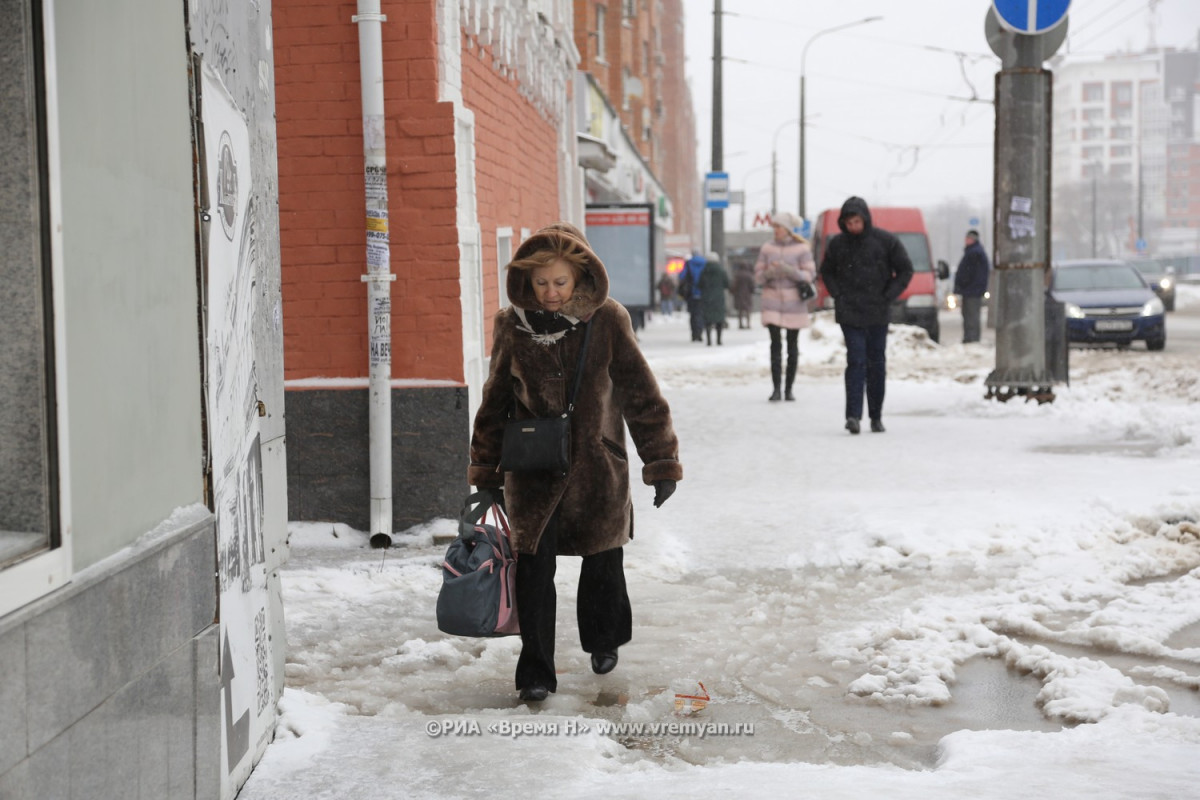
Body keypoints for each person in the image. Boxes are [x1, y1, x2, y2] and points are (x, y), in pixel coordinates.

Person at [468, 222, 683, 704]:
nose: (550, 293)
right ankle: (536, 671)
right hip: (531, 472)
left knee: (603, 561)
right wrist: (484, 471)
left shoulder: (608, 319)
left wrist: (662, 461)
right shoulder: (511, 325)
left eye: (560, 282)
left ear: (580, 277)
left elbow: (641, 394)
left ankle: (604, 639)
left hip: (597, 468)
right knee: (532, 572)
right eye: (541, 283)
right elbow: (495, 401)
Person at [818, 197, 913, 434]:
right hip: (850, 312)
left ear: (865, 219)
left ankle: (876, 415)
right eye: (849, 222)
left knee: (876, 365)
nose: (853, 227)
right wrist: (837, 294)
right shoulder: (837, 245)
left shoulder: (885, 241)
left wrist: (888, 295)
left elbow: (905, 269)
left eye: (857, 221)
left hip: (877, 311)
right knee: (856, 362)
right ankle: (853, 416)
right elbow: (826, 272)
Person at [754, 211, 816, 402]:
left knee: (792, 346)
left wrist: (790, 271)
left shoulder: (801, 249)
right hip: (772, 302)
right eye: (774, 227)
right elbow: (758, 277)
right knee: (775, 346)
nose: (775, 230)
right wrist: (771, 272)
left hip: (794, 303)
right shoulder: (767, 248)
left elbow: (809, 275)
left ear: (787, 229)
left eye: (778, 226)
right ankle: (776, 389)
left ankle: (789, 389)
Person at [953, 230, 989, 344]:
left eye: (968, 238)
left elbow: (970, 273)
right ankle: (970, 337)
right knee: (969, 315)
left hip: (972, 290)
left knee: (971, 315)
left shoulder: (974, 253)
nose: (966, 240)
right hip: (971, 290)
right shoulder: (974, 252)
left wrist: (964, 283)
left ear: (973, 239)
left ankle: (972, 338)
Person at [698, 251, 730, 346]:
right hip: (718, 298)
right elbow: (727, 284)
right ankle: (719, 340)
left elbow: (699, 284)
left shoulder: (704, 271)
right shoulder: (721, 270)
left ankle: (709, 340)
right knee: (719, 319)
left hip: (707, 298)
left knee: (708, 320)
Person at [678, 250, 707, 342]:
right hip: (703, 293)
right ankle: (700, 332)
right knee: (701, 313)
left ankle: (694, 333)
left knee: (693, 314)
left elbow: (682, 276)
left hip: (691, 293)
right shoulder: (705, 263)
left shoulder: (688, 264)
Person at [731, 260, 756, 329]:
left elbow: (734, 285)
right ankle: (748, 324)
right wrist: (752, 291)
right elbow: (752, 285)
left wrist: (732, 291)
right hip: (747, 294)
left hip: (739, 294)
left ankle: (740, 324)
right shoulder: (749, 275)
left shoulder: (737, 275)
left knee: (740, 310)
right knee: (748, 310)